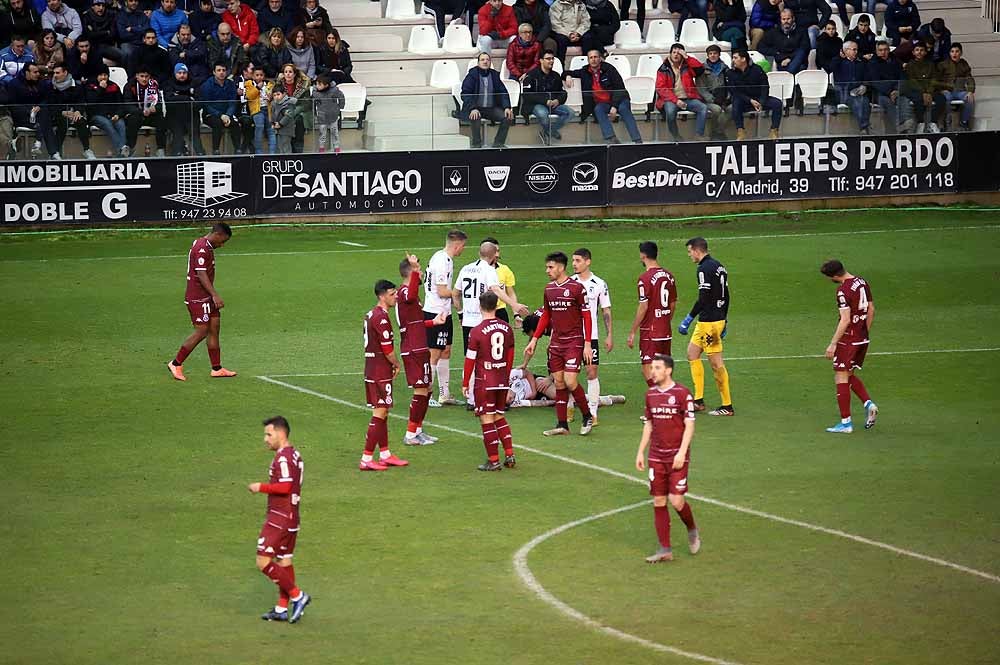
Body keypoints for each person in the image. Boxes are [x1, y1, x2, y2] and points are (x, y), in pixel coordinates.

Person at [634, 354, 701, 564]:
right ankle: (665, 549)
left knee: (677, 500)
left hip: (677, 456)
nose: (652, 371)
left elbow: (689, 425)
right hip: (656, 455)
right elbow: (649, 424)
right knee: (659, 500)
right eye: (652, 367)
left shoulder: (682, 394)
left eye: (657, 368)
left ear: (668, 370)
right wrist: (640, 451)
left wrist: (682, 452)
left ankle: (691, 528)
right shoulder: (650, 394)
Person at [523, 251, 595, 436]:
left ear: (561, 267)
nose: (547, 270)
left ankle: (587, 415)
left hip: (574, 341)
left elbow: (587, 315)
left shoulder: (577, 288)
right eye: (547, 267)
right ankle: (562, 425)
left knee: (571, 381)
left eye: (550, 267)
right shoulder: (549, 289)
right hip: (556, 343)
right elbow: (546, 315)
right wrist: (534, 339)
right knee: (560, 382)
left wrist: (587, 343)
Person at [248, 416, 311, 624]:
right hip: (292, 516)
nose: (265, 439)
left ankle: (297, 596)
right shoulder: (295, 455)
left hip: (279, 518)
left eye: (269, 434)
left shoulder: (283, 458)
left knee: (263, 561)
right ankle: (281, 608)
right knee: (284, 561)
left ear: (281, 433)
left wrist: (261, 487)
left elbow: (284, 487)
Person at [167, 223, 237, 381]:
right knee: (202, 331)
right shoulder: (201, 248)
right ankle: (175, 363)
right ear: (217, 235)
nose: (222, 245)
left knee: (214, 327)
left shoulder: (205, 245)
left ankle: (216, 368)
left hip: (206, 296)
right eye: (222, 241)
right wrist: (215, 295)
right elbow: (201, 274)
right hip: (198, 297)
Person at [820, 259, 878, 434]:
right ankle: (869, 404)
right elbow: (871, 309)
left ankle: (846, 423)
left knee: (840, 377)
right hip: (862, 338)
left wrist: (833, 343)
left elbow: (845, 319)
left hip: (848, 340)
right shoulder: (861, 282)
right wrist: (863, 332)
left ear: (835, 276)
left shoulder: (843, 291)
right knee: (849, 374)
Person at [461, 292, 517, 471]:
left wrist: (464, 383)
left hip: (484, 381)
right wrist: (506, 378)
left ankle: (493, 461)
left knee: (486, 419)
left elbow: (470, 359)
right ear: (497, 305)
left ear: (480, 306)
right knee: (499, 416)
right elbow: (510, 355)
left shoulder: (476, 331)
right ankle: (510, 454)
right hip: (501, 379)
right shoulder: (507, 328)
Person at [677, 236, 732, 416]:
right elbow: (726, 295)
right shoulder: (719, 266)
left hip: (709, 322)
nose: (689, 255)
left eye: (689, 251)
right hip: (711, 320)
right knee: (692, 353)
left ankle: (727, 405)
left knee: (716, 363)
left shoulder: (703, 269)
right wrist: (725, 319)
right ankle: (698, 401)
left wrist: (689, 317)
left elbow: (704, 298)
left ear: (697, 250)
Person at [360, 279, 410, 471]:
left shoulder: (371, 314)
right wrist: (397, 364)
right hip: (380, 371)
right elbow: (387, 349)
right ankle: (366, 458)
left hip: (373, 368)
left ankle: (385, 454)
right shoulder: (380, 317)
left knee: (383, 411)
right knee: (380, 412)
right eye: (391, 294)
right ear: (382, 296)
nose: (395, 296)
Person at [397, 254, 447, 447]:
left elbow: (414, 323)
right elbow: (409, 294)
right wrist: (416, 269)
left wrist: (432, 322)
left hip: (419, 346)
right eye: (418, 274)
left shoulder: (411, 297)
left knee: (426, 390)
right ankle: (410, 434)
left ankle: (417, 430)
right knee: (421, 391)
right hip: (413, 349)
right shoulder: (404, 293)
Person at [423, 229, 468, 407]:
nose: (462, 250)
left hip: (445, 312)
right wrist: (458, 293)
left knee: (446, 350)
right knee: (433, 354)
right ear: (457, 245)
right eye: (463, 246)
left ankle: (444, 394)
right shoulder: (442, 261)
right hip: (435, 312)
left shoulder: (442, 258)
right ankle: (427, 395)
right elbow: (442, 291)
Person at [563, 47, 642, 144]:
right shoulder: (585, 71)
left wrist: (614, 106)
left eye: (596, 57)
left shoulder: (609, 69)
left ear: (600, 58)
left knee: (623, 109)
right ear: (588, 60)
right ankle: (611, 139)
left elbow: (619, 88)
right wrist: (567, 76)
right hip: (603, 103)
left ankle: (637, 140)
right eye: (591, 57)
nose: (593, 59)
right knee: (598, 109)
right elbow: (566, 72)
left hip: (619, 99)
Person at [627, 240, 677, 388]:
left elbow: (643, 306)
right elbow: (673, 303)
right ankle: (667, 398)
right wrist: (666, 320)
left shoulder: (644, 279)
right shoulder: (670, 276)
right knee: (664, 368)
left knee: (647, 369)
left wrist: (632, 331)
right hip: (665, 330)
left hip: (650, 331)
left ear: (643, 256)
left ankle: (659, 398)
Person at [571, 248, 612, 422]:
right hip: (571, 336)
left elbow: (606, 310)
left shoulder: (599, 284)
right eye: (573, 260)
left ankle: (593, 412)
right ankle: (568, 407)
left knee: (591, 371)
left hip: (591, 336)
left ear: (588, 262)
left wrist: (609, 334)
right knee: (569, 374)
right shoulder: (569, 282)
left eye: (578, 260)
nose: (574, 264)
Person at [655, 43, 708, 141]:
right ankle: (676, 136)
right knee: (670, 113)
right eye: (674, 52)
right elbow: (660, 88)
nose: (676, 55)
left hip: (688, 98)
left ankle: (698, 135)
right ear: (670, 54)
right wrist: (676, 101)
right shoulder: (663, 68)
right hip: (671, 100)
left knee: (703, 108)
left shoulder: (687, 65)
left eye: (678, 53)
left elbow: (700, 69)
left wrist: (687, 57)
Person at [460, 52, 513, 149]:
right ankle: (476, 145)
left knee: (507, 117)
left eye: (487, 60)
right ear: (478, 63)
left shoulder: (495, 75)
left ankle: (498, 144)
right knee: (475, 116)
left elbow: (503, 92)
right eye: (482, 60)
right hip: (475, 108)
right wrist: (473, 108)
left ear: (490, 62)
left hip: (490, 109)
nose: (485, 62)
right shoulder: (472, 75)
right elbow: (465, 93)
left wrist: (507, 107)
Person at [726, 48, 782, 140]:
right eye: (733, 58)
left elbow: (765, 86)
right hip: (744, 100)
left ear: (743, 59)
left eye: (735, 58)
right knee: (736, 102)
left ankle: (774, 130)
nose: (733, 60)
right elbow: (734, 91)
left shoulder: (757, 69)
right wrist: (750, 100)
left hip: (759, 99)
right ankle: (740, 131)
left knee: (777, 103)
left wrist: (761, 101)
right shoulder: (730, 73)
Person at [9, 62, 60, 158]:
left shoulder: (40, 83)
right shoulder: (14, 84)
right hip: (22, 116)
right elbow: (13, 105)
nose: (38, 74)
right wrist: (30, 110)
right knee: (45, 122)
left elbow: (47, 99)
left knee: (44, 117)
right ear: (27, 73)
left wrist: (40, 106)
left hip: (39, 114)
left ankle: (39, 146)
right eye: (35, 72)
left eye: (38, 72)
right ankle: (52, 152)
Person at [520, 48, 572, 143]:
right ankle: (551, 131)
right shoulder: (531, 75)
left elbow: (562, 92)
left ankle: (549, 131)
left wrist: (558, 101)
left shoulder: (556, 75)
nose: (551, 61)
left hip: (552, 104)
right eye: (548, 59)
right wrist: (545, 101)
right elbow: (527, 95)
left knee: (570, 113)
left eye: (552, 59)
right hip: (535, 105)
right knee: (543, 113)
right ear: (541, 60)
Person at [47, 61, 94, 157]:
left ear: (65, 73)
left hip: (73, 114)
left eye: (58, 73)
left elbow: (81, 101)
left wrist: (78, 111)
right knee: (62, 122)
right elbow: (50, 105)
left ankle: (87, 149)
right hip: (59, 115)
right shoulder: (51, 87)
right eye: (54, 73)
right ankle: (56, 152)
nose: (55, 75)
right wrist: (62, 112)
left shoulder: (77, 86)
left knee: (80, 121)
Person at [901, 40, 945, 133]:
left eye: (922, 50)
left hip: (930, 90)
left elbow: (934, 79)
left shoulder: (931, 64)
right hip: (916, 91)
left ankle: (933, 123)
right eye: (917, 50)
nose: (919, 52)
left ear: (925, 52)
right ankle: (920, 123)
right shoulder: (910, 65)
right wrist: (923, 92)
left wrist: (929, 92)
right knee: (918, 99)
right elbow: (912, 81)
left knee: (941, 99)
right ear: (913, 52)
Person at [85, 63, 128, 155]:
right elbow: (91, 103)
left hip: (112, 115)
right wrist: (100, 89)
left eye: (105, 75)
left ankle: (122, 153)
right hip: (96, 116)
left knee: (120, 124)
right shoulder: (90, 86)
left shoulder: (114, 86)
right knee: (107, 123)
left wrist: (118, 115)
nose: (103, 77)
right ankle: (122, 148)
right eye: (100, 75)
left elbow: (121, 104)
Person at [198, 60, 240, 153]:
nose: (221, 72)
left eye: (223, 70)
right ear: (214, 72)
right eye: (219, 70)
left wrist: (228, 115)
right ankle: (215, 150)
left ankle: (238, 150)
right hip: (210, 115)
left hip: (227, 115)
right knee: (217, 123)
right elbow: (207, 105)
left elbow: (232, 102)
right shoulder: (207, 85)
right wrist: (221, 115)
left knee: (235, 124)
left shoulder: (230, 84)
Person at [830, 40, 871, 133]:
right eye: (853, 49)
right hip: (844, 93)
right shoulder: (838, 62)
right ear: (845, 50)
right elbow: (830, 68)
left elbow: (867, 76)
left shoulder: (861, 62)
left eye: (856, 49)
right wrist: (839, 57)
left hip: (859, 91)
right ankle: (864, 127)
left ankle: (864, 127)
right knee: (856, 102)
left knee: (865, 101)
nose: (856, 52)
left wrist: (864, 85)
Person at [868, 38, 906, 134]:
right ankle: (900, 125)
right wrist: (890, 92)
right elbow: (875, 82)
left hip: (896, 91)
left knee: (904, 99)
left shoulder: (896, 61)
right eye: (880, 50)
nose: (883, 52)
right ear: (876, 51)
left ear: (889, 50)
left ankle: (907, 125)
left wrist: (897, 90)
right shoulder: (873, 63)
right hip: (879, 93)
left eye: (885, 50)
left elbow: (902, 77)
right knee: (885, 100)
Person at [164, 61, 202, 155]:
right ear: (175, 73)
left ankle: (201, 155)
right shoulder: (169, 83)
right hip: (174, 116)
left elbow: (199, 103)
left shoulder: (194, 83)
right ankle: (176, 156)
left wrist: (177, 95)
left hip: (191, 115)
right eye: (179, 73)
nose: (182, 75)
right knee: (178, 135)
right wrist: (188, 97)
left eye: (184, 73)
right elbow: (169, 101)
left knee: (195, 134)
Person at [758, 8, 810, 75]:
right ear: (780, 20)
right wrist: (776, 53)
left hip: (799, 62)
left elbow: (805, 47)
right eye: (783, 19)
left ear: (793, 18)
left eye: (788, 19)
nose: (786, 21)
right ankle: (789, 75)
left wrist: (790, 59)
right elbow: (761, 47)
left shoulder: (801, 31)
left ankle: (788, 75)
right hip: (782, 63)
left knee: (801, 52)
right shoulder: (774, 32)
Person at [938, 43, 974, 131]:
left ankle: (964, 122)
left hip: (960, 91)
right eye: (952, 51)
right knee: (947, 98)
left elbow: (969, 79)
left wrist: (970, 91)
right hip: (947, 91)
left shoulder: (963, 64)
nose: (954, 54)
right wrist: (941, 90)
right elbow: (937, 80)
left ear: (961, 53)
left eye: (957, 51)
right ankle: (945, 121)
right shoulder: (943, 64)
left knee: (969, 99)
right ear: (949, 53)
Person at [697, 44, 729, 139]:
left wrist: (728, 97)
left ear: (719, 55)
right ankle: (713, 132)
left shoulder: (725, 68)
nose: (712, 55)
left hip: (724, 98)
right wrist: (712, 99)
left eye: (715, 53)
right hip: (709, 100)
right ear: (707, 55)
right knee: (717, 110)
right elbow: (701, 88)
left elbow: (730, 84)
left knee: (733, 108)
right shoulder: (702, 69)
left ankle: (718, 131)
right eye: (710, 53)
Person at [276, 61, 309, 152]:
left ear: (294, 74)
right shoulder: (279, 86)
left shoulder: (303, 86)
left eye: (290, 72)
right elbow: (276, 101)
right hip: (283, 114)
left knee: (299, 121)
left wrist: (292, 113)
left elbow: (306, 104)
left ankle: (298, 154)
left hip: (298, 113)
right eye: (286, 72)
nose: (288, 74)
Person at [311, 72, 343, 152]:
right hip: (322, 115)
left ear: (326, 85)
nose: (317, 85)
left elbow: (341, 97)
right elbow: (313, 102)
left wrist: (340, 107)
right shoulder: (315, 93)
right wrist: (314, 112)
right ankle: (321, 147)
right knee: (322, 132)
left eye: (319, 84)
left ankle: (336, 147)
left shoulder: (334, 90)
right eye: (316, 83)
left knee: (334, 131)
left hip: (333, 114)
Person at [245, 64, 273, 152]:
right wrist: (257, 88)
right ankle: (258, 152)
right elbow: (249, 96)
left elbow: (274, 96)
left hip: (268, 110)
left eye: (261, 75)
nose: (259, 77)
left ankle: (273, 153)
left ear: (264, 76)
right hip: (257, 111)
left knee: (271, 131)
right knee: (259, 127)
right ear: (253, 76)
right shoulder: (249, 84)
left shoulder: (270, 85)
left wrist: (271, 98)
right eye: (257, 75)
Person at [268, 83, 297, 153]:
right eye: (274, 95)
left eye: (278, 94)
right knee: (280, 146)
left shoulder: (288, 103)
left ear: (284, 94)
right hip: (278, 130)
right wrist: (272, 123)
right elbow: (273, 114)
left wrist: (280, 124)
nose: (276, 97)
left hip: (286, 129)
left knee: (286, 145)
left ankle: (288, 160)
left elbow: (288, 116)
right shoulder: (274, 104)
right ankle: (282, 161)